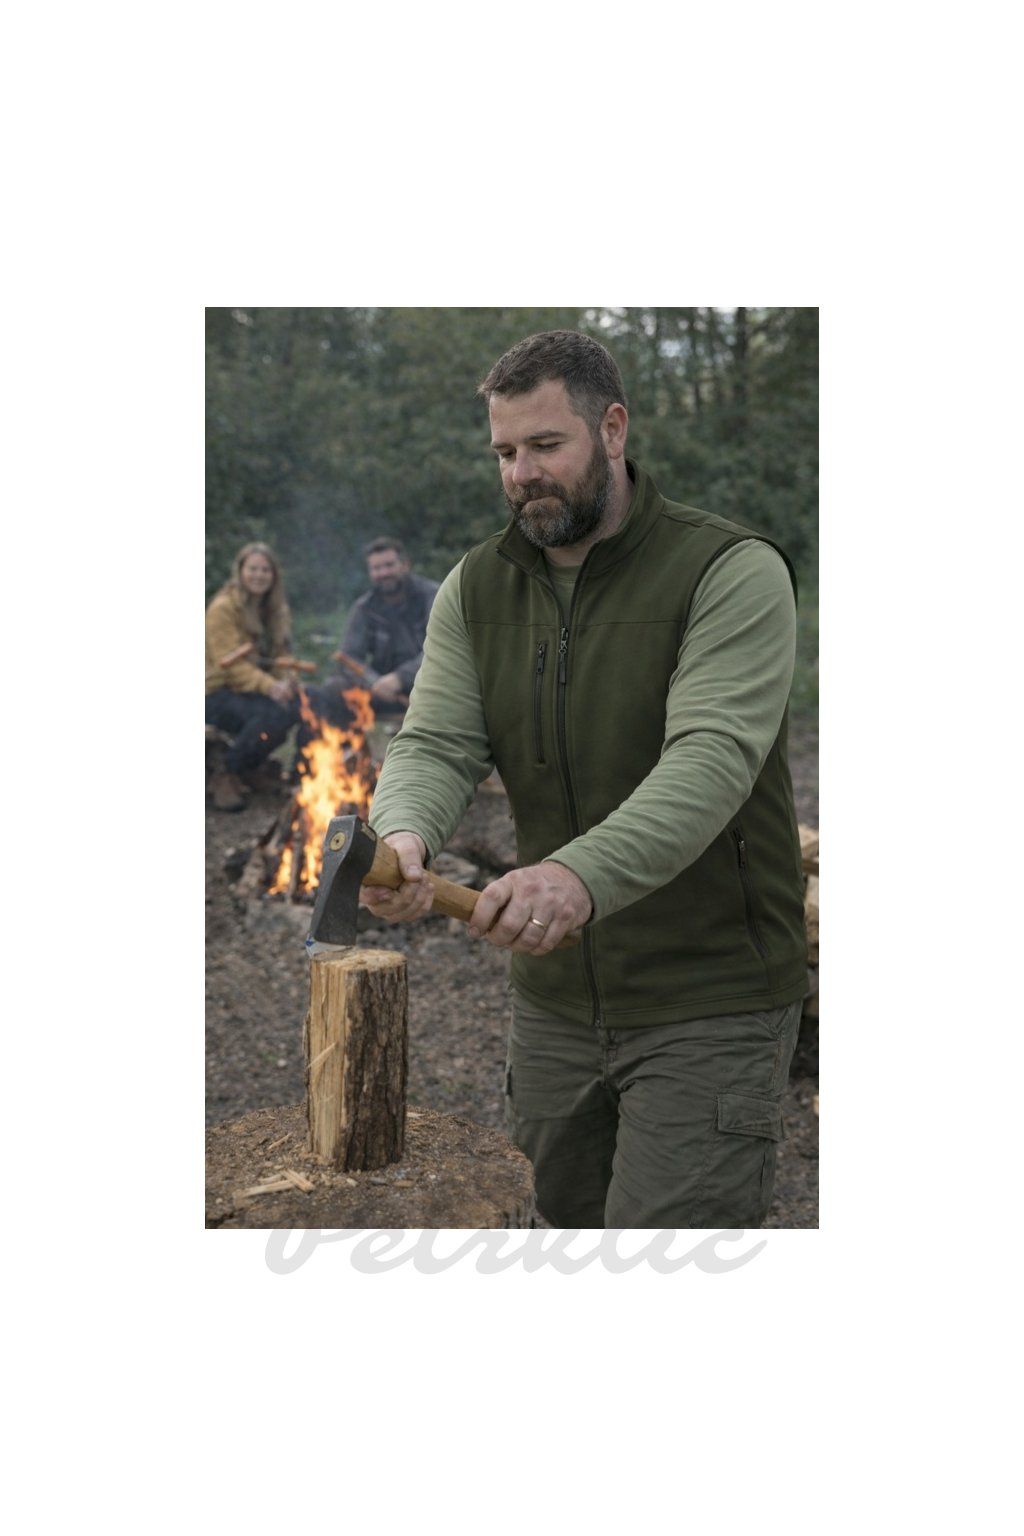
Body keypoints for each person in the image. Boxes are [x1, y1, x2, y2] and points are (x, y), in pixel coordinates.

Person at [362, 330, 809, 1230]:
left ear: (612, 429)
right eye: (504, 453)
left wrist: (575, 875)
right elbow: (437, 742)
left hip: (709, 998)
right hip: (554, 1004)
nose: (521, 473)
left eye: (544, 445)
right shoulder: (476, 587)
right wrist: (403, 834)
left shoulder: (729, 570)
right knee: (555, 1225)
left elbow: (710, 761)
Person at [205, 542, 302, 811]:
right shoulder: (223, 609)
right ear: (240, 572)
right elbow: (230, 665)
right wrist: (270, 687)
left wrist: (287, 680)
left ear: (274, 575)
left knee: (297, 706)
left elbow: (282, 654)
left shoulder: (276, 610)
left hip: (252, 691)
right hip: (216, 692)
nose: (259, 575)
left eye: (265, 570)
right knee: (271, 715)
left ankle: (253, 768)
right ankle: (226, 772)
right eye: (253, 569)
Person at [311, 537, 439, 727]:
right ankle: (349, 745)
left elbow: (441, 649)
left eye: (389, 565)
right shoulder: (365, 607)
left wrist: (400, 678)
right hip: (384, 692)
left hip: (430, 686)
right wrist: (375, 682)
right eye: (376, 568)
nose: (383, 573)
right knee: (334, 688)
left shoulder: (433, 596)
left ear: (405, 565)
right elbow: (348, 658)